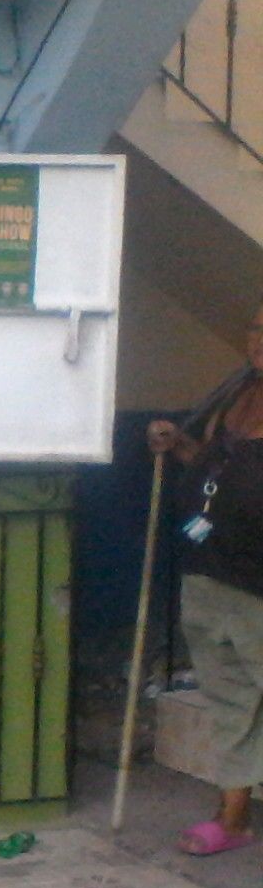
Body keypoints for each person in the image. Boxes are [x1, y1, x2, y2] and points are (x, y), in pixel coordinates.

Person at [147, 298, 263, 855]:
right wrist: (178, 446)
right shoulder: (236, 393)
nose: (260, 339)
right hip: (209, 574)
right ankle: (233, 819)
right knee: (231, 705)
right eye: (257, 327)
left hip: (258, 585)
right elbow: (213, 470)